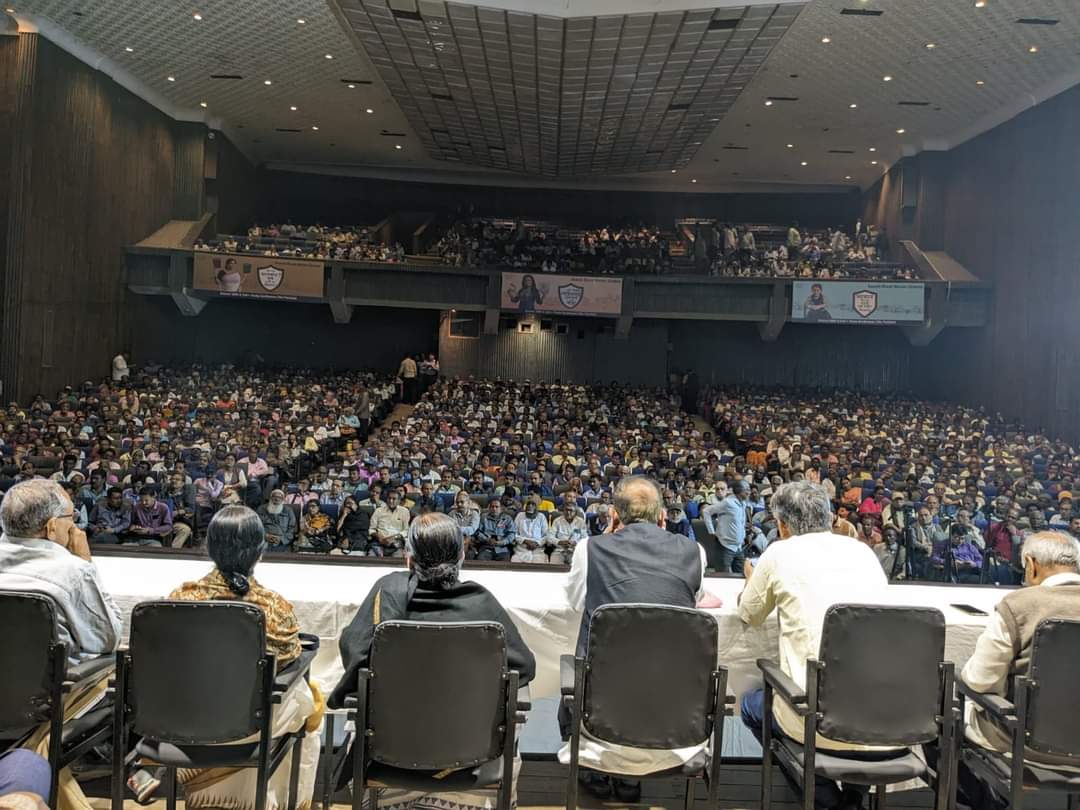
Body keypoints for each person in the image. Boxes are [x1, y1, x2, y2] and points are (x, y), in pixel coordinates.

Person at [329, 512, 535, 810]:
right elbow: (524, 667)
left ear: (408, 558)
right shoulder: (483, 604)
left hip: (388, 750)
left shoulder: (385, 593)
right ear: (462, 555)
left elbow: (354, 654)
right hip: (471, 755)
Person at [560, 476, 721, 802]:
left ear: (613, 516)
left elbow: (577, 602)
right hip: (675, 714)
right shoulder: (694, 552)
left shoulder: (589, 549)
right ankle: (634, 776)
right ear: (662, 517)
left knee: (577, 679)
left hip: (602, 710)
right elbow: (692, 598)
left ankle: (600, 771)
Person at [738, 481, 890, 810]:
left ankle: (823, 799)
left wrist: (752, 579)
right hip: (885, 716)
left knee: (751, 706)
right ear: (829, 518)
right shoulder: (862, 551)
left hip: (814, 718)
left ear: (781, 525)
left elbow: (748, 614)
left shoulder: (780, 551)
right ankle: (853, 798)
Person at [161, 506, 322, 810]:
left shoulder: (180, 598)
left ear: (209, 547)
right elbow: (289, 658)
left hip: (187, 719)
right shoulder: (273, 606)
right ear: (260, 551)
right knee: (309, 700)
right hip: (249, 723)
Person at [946, 532, 1080, 810]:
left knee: (942, 711)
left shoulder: (1018, 605)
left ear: (1031, 565)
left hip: (1024, 744)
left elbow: (980, 682)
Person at [702, 480, 749, 574]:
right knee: (722, 577)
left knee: (741, 577)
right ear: (739, 490)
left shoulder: (743, 504)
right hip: (725, 546)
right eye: (747, 490)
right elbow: (706, 511)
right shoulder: (728, 502)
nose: (749, 492)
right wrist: (711, 531)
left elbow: (741, 522)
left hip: (739, 547)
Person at [368, 488, 410, 557]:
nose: (391, 501)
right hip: (379, 543)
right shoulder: (378, 511)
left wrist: (394, 537)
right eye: (389, 498)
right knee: (371, 559)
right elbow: (371, 529)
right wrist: (379, 537)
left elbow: (406, 530)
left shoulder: (404, 511)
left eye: (394, 499)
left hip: (396, 544)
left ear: (399, 501)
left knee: (397, 562)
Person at [548, 500, 588, 565]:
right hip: (559, 550)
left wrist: (575, 543)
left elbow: (585, 538)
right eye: (566, 510)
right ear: (563, 511)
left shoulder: (580, 522)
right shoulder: (557, 521)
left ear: (575, 512)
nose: (568, 512)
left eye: (571, 510)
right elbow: (549, 537)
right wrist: (560, 542)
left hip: (575, 550)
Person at [511, 497, 548, 564]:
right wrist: (525, 541)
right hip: (521, 548)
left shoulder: (541, 517)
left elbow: (546, 535)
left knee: (540, 567)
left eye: (533, 504)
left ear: (537, 507)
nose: (530, 506)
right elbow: (513, 533)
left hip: (537, 549)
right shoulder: (520, 515)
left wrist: (536, 543)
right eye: (528, 504)